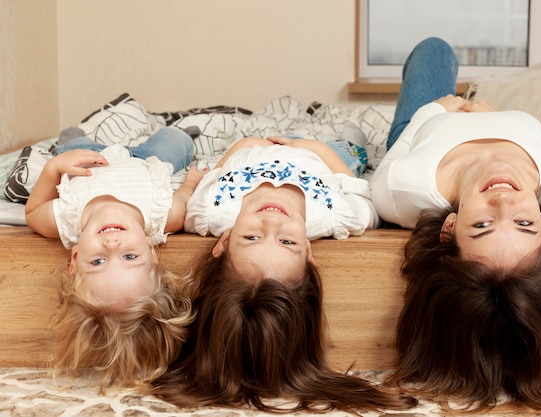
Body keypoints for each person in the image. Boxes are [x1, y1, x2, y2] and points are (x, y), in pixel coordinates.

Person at [370, 37, 541, 412]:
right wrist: (496, 115)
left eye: (482, 225)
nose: (505, 199)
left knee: (435, 49)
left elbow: (403, 152)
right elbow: (540, 139)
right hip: (496, 117)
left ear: (450, 227)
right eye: (525, 222)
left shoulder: (401, 187)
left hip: (427, 132)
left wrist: (433, 112)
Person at [149, 136, 417, 413]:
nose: (272, 221)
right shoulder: (339, 216)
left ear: (224, 241)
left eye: (251, 237)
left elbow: (214, 176)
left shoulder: (209, 212)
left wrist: (246, 144)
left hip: (251, 151)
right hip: (320, 157)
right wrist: (313, 147)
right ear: (309, 255)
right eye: (287, 242)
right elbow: (359, 191)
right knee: (351, 149)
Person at [24, 129, 206, 389]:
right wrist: (191, 183)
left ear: (75, 258)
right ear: (151, 251)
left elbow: (32, 211)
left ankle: (69, 137)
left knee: (73, 143)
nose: (112, 244)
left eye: (97, 262)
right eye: (130, 256)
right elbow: (184, 196)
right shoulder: (165, 214)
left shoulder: (64, 219)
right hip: (147, 160)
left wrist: (53, 168)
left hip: (86, 160)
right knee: (175, 140)